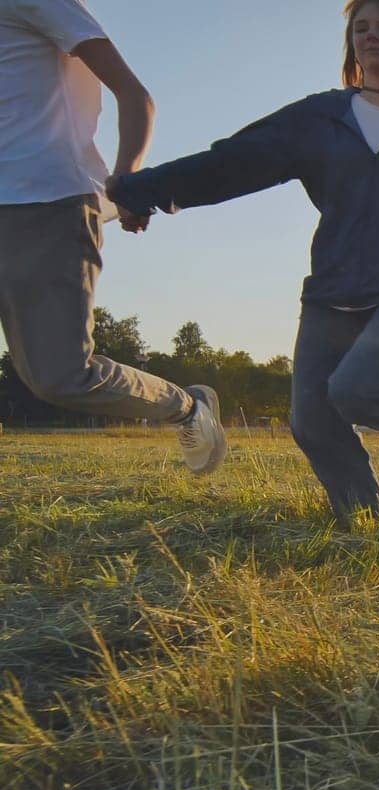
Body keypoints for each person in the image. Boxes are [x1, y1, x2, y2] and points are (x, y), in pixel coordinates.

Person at [109, 0, 379, 522]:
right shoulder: (321, 118)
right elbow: (234, 162)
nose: (372, 35)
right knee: (311, 420)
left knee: (358, 390)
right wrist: (143, 190)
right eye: (362, 29)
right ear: (351, 46)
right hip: (332, 289)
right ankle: (367, 525)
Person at [0, 0, 225, 473]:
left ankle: (186, 407)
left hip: (44, 204)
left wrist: (127, 184)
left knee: (60, 376)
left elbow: (134, 94)